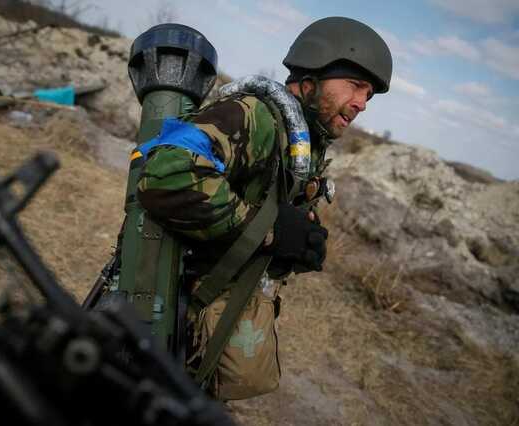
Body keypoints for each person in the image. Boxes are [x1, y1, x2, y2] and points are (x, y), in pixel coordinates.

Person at [136, 16, 392, 399]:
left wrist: (296, 243)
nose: (361, 104)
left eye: (368, 95)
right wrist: (270, 231)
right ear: (313, 74)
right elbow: (166, 175)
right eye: (355, 85)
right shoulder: (254, 115)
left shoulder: (303, 139)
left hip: (197, 336)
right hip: (166, 323)